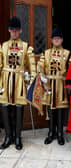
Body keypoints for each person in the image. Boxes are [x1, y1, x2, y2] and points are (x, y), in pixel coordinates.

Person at [0, 16, 36, 150]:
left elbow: (31, 66)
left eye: (16, 30)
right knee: (5, 107)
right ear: (9, 30)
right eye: (12, 30)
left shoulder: (26, 46)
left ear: (20, 30)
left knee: (19, 109)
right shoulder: (3, 46)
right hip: (5, 80)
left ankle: (17, 137)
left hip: (19, 81)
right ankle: (8, 136)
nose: (14, 32)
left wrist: (30, 81)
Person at [37, 27, 71, 145]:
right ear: (51, 40)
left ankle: (60, 133)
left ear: (62, 40)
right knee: (50, 111)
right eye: (54, 38)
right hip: (49, 86)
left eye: (59, 38)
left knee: (61, 111)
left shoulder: (67, 53)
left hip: (61, 86)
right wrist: (41, 74)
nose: (56, 40)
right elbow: (40, 65)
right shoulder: (46, 53)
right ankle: (51, 133)